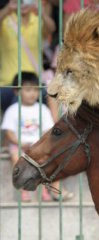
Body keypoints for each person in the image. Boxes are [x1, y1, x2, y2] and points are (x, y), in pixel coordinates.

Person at [1, 72, 73, 202]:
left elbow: (47, 130)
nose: (33, 93)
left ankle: (46, 190)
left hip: (37, 146)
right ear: (17, 91)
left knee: (47, 160)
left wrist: (41, 145)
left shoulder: (43, 109)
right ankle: (23, 190)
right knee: (16, 156)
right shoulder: (12, 110)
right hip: (19, 145)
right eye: (28, 89)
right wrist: (20, 143)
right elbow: (9, 132)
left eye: (36, 89)